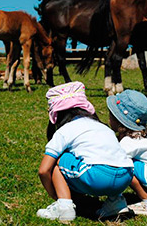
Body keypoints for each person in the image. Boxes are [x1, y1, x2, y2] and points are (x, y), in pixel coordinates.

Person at [37, 81, 134, 221]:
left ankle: (63, 207)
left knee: (59, 161)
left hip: (97, 177)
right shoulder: (103, 127)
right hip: (125, 176)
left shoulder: (65, 130)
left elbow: (43, 170)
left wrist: (55, 195)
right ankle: (115, 202)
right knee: (108, 159)